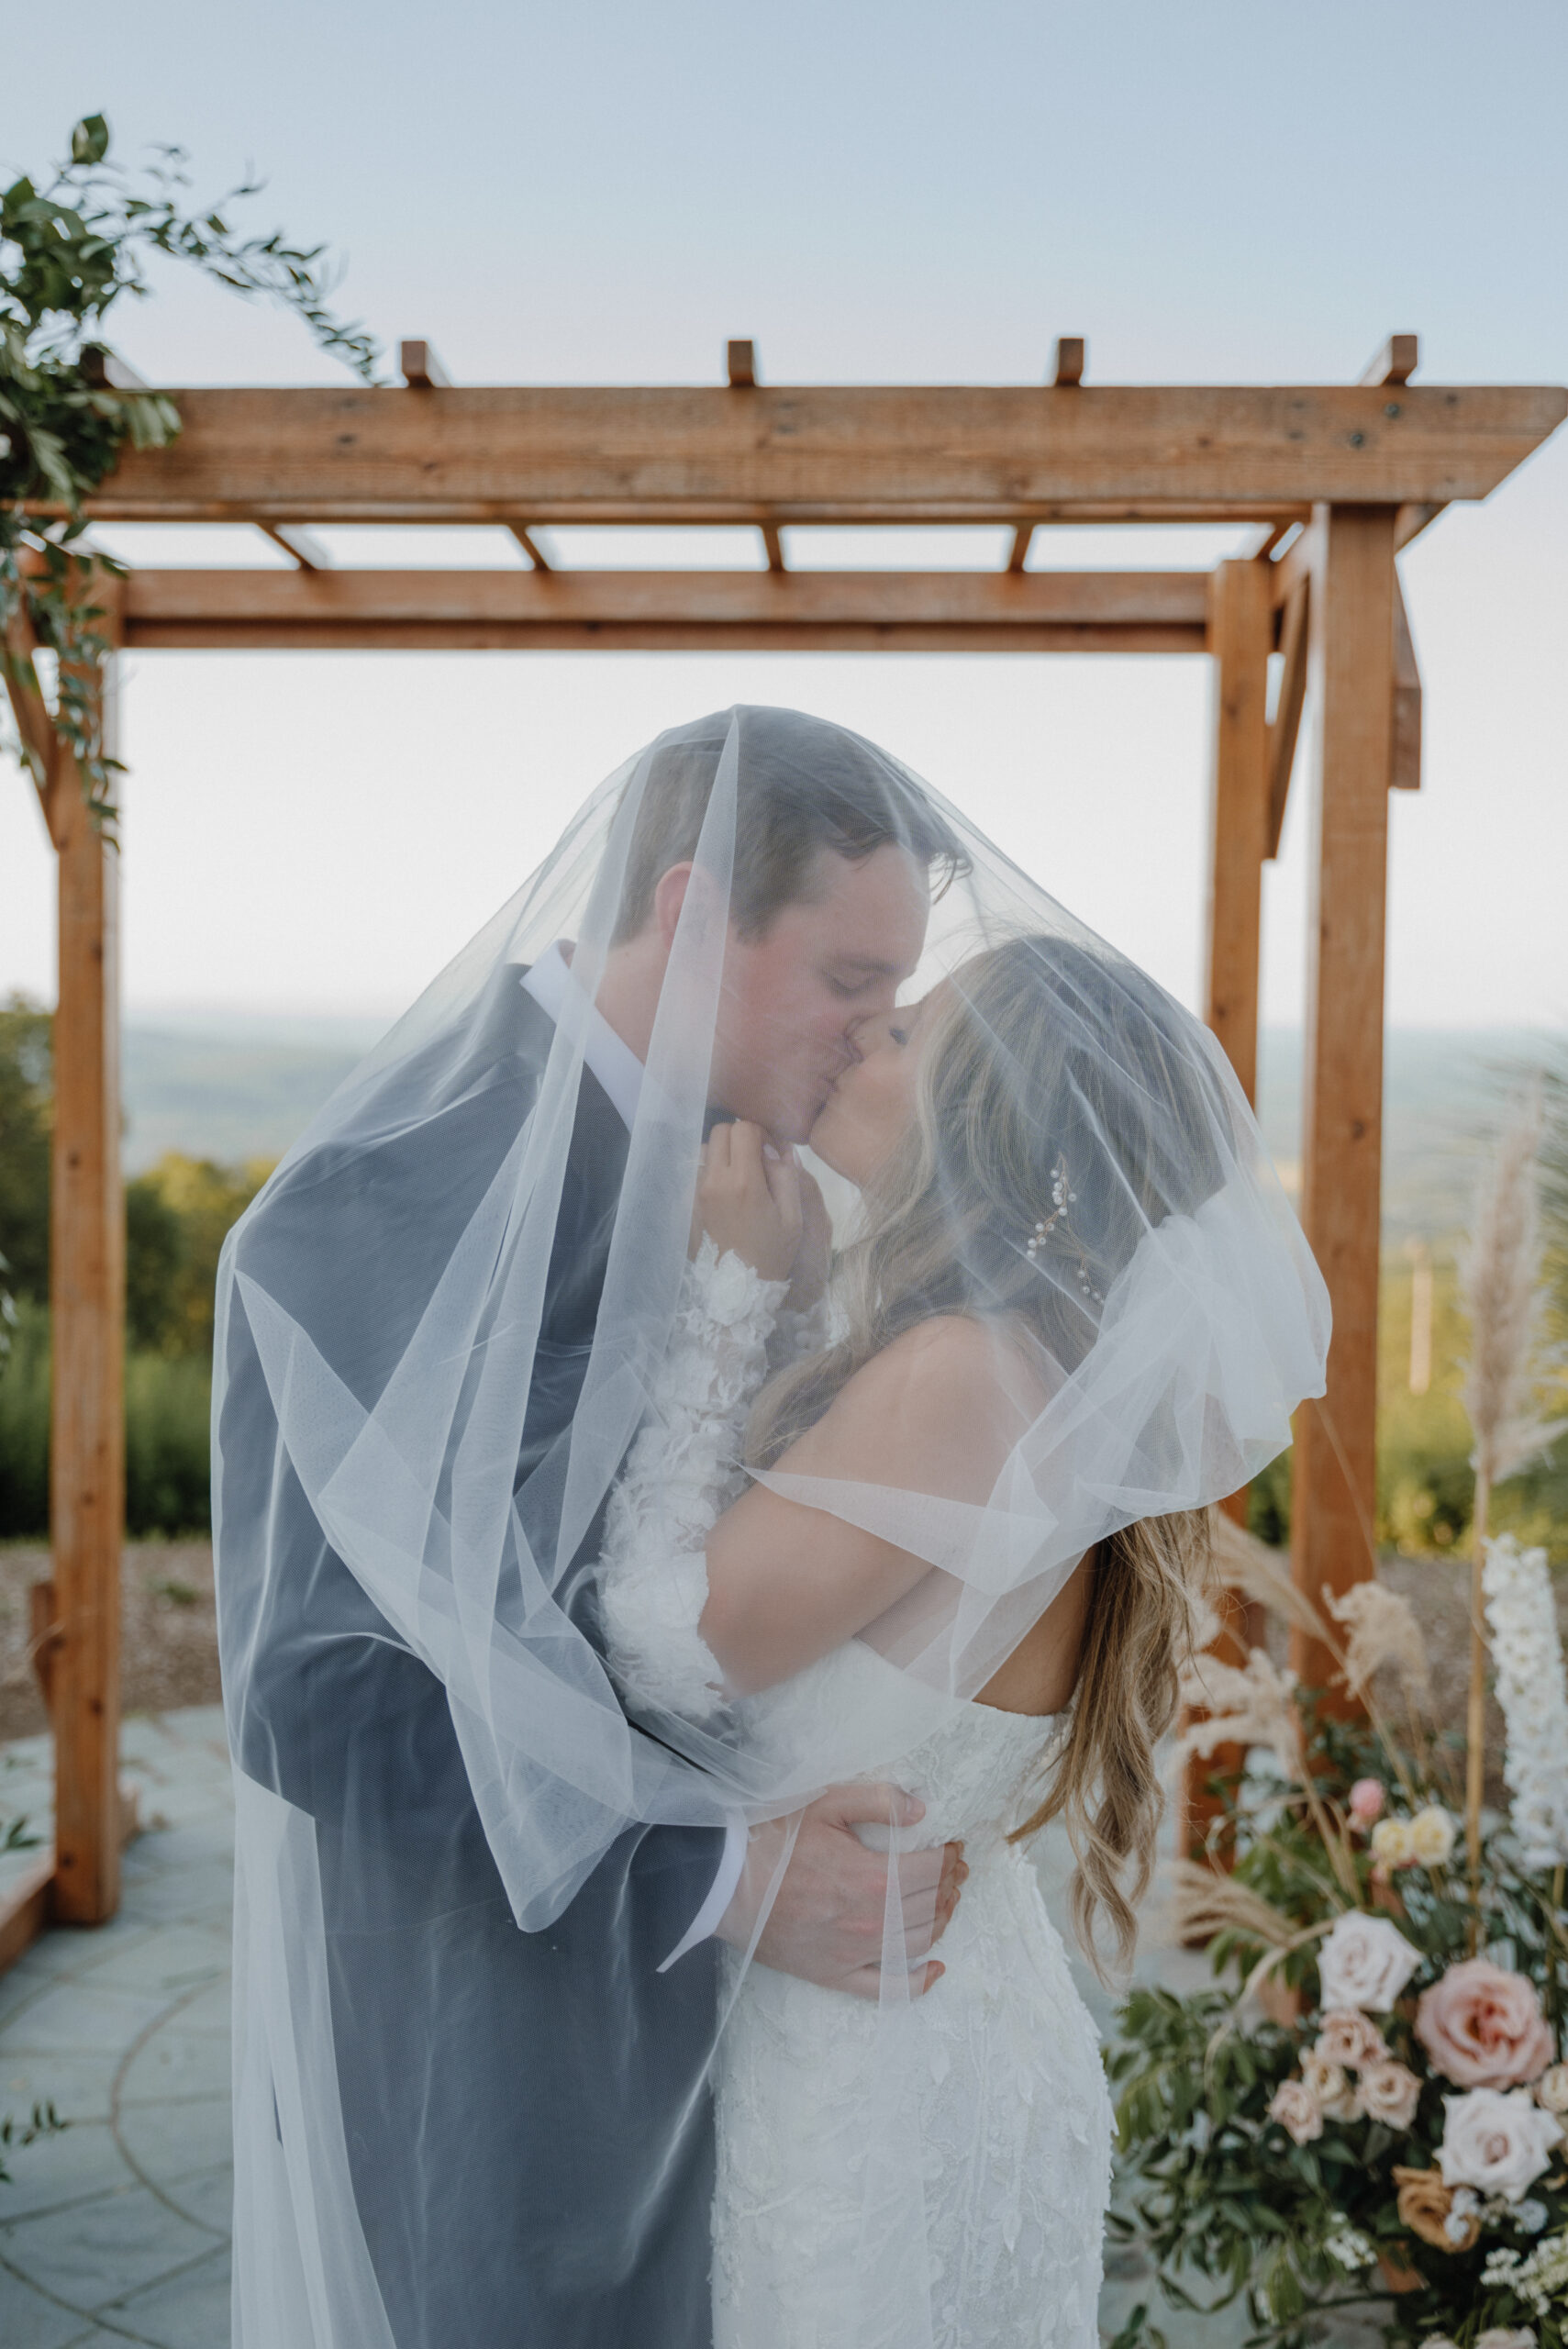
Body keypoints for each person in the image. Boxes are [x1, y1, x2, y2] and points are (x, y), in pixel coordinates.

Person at [217, 707, 1329, 2349]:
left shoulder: (839, 1259)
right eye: (851, 985)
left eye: (897, 1009)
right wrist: (713, 1875)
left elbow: (710, 1600)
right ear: (689, 912)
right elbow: (310, 1690)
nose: (865, 1033)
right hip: (522, 2072)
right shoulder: (390, 1200)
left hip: (841, 2060)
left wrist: (752, 1301)